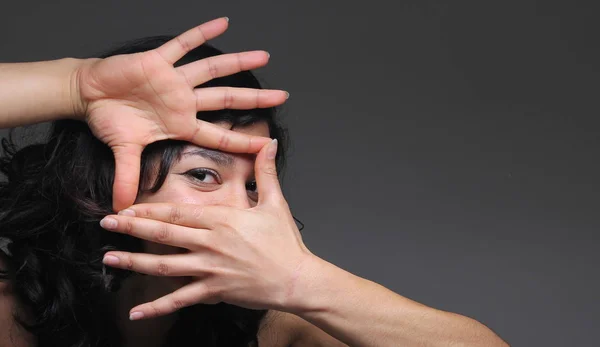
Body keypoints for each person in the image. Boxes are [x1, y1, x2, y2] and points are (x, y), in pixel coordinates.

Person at [0, 18, 509, 347]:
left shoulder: (277, 326)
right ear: (100, 180)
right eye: (203, 174)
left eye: (252, 186)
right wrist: (75, 85)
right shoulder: (11, 314)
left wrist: (301, 283)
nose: (241, 211)